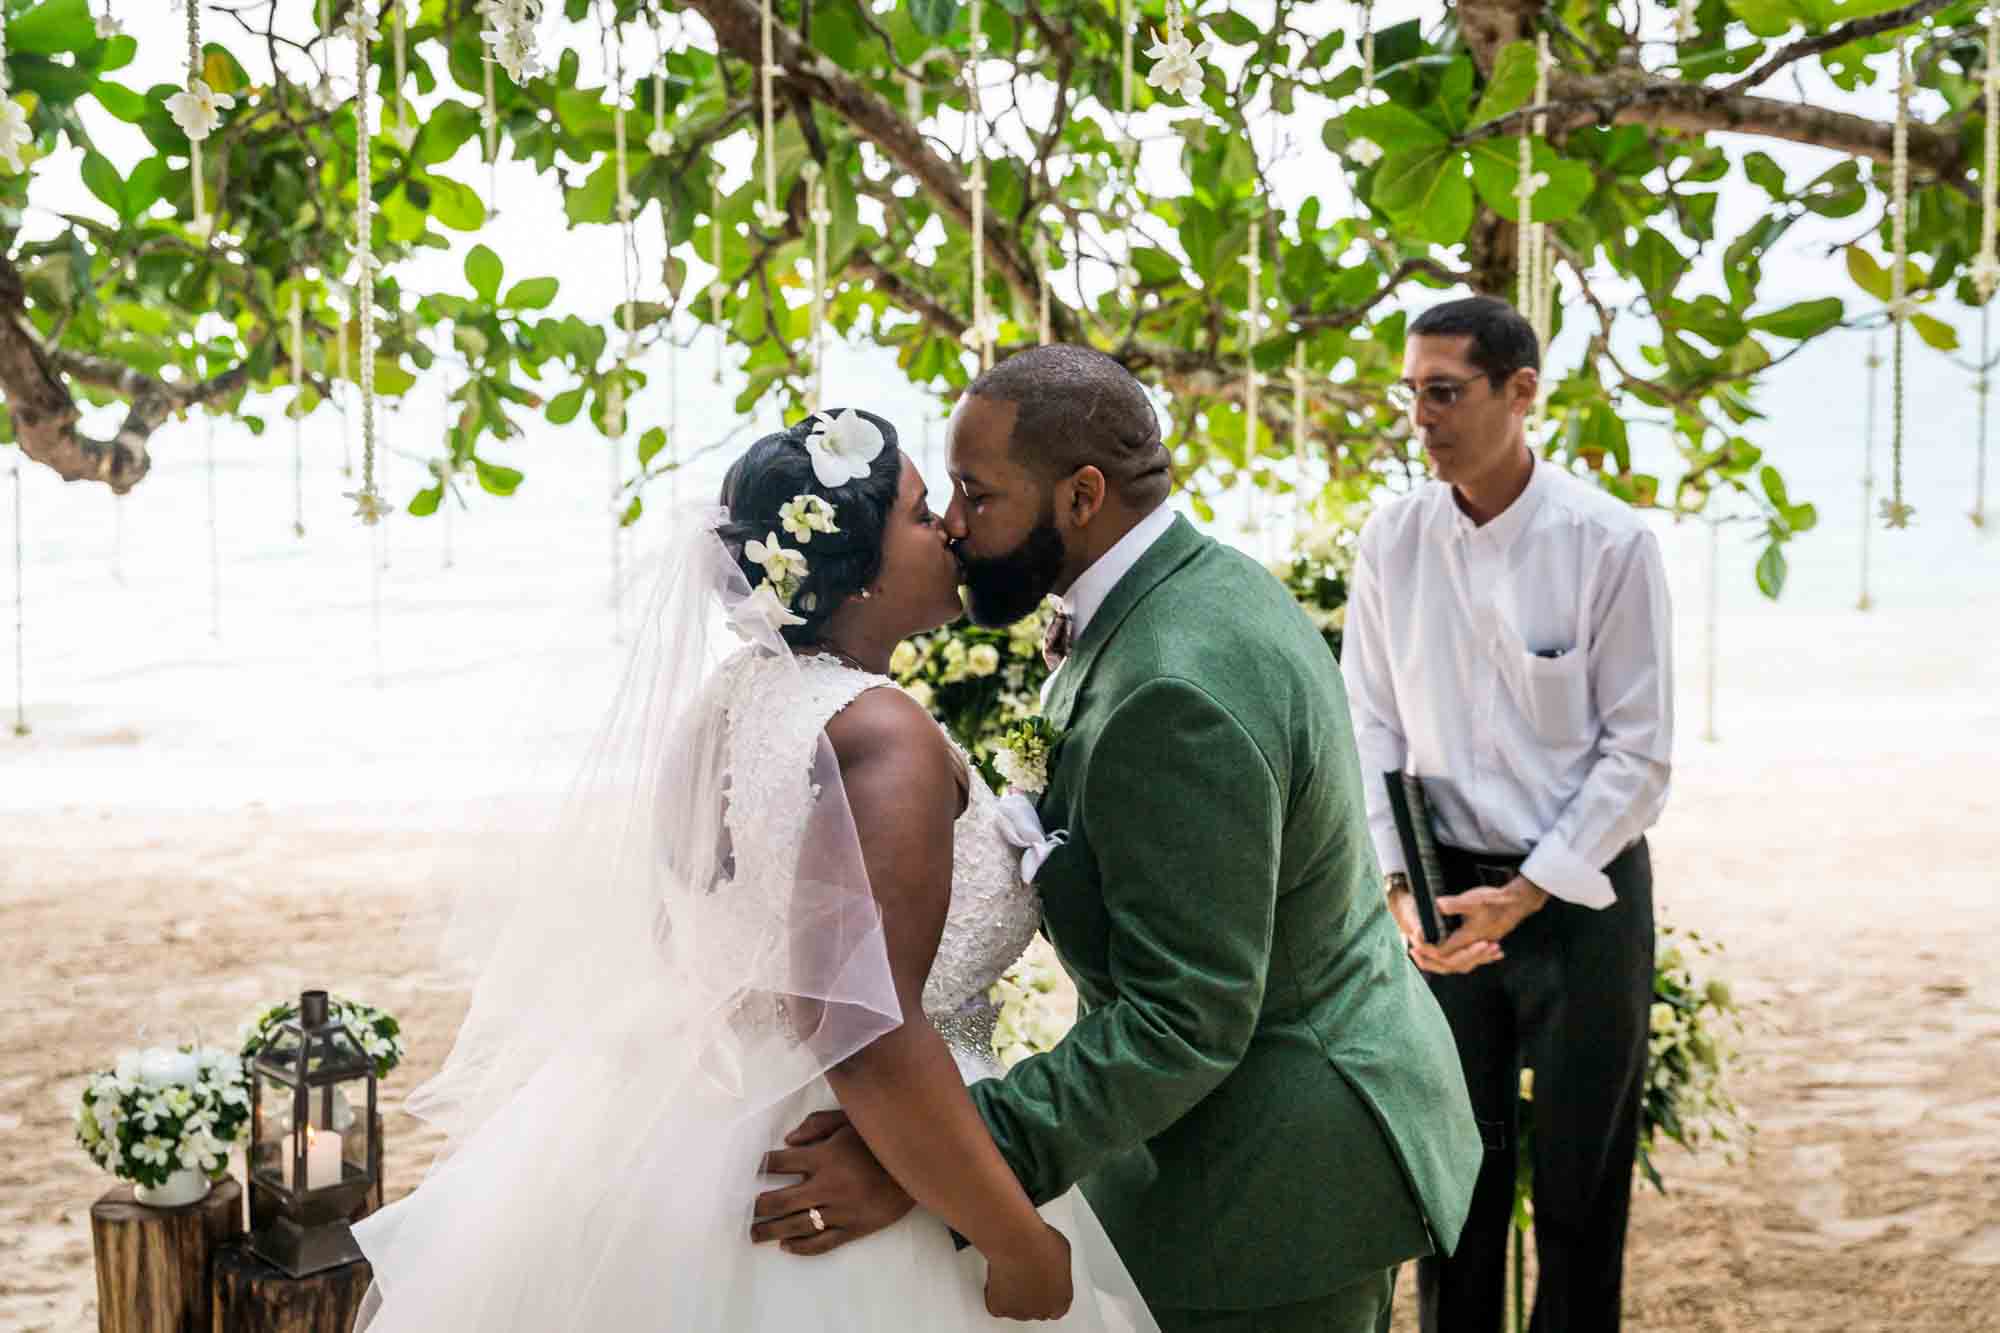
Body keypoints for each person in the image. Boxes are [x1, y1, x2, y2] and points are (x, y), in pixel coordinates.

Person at [350, 409, 1157, 1331]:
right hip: (853, 1154)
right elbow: (860, 1025)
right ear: (858, 567)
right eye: (924, 513)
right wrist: (1017, 1242)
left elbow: (685, 924)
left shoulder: (734, 696)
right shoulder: (885, 734)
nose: (953, 533)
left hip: (709, 1128)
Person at [752, 346, 1484, 1333]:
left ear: (1082, 495)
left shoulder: (1173, 683)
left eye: (974, 492)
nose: (957, 528)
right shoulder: (1184, 587)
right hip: (1219, 1139)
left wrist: (947, 1156)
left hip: (1269, 1180)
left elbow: (1184, 1015)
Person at [1339, 296, 1674, 1332]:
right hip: (1438, 899)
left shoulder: (1606, 543)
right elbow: (1369, 730)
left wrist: (1527, 892)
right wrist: (1400, 890)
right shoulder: (1390, 541)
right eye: (1411, 395)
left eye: (1444, 393)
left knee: (1581, 1186)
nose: (1420, 419)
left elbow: (1641, 752)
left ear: (1520, 391)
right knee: (1455, 1190)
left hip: (1579, 896)